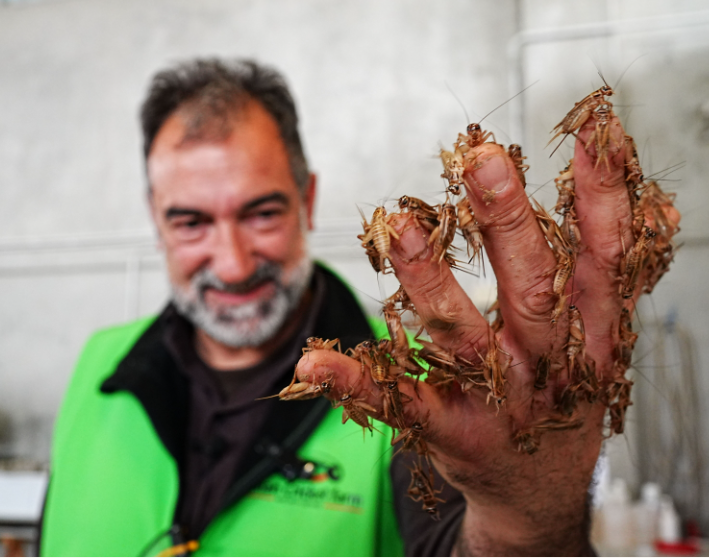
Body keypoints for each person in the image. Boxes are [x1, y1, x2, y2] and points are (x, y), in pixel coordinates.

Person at [39, 58, 660, 556]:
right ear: (157, 222)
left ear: (307, 201)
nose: (231, 263)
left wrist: (529, 525)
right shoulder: (98, 362)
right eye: (191, 222)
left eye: (261, 212)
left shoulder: (423, 391)